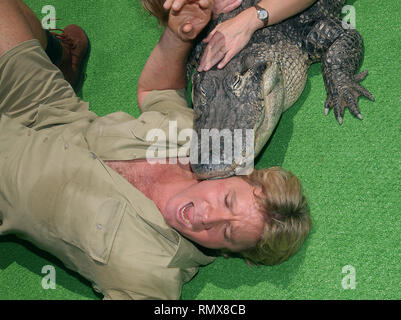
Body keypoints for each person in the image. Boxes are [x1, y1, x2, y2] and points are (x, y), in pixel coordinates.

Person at [0, 0, 310, 300]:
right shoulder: (199, 139)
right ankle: (62, 59)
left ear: (230, 252)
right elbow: (158, 91)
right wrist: (178, 36)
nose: (207, 216)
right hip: (50, 107)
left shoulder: (153, 279)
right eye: (227, 200)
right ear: (237, 175)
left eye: (227, 233)